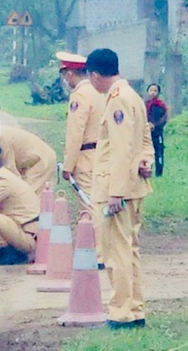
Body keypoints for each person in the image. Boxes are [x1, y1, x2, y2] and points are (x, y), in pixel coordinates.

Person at [86, 48, 154, 330]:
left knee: (117, 253)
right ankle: (134, 308)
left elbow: (122, 149)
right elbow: (143, 142)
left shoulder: (118, 101)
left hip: (118, 190)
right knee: (130, 250)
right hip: (132, 186)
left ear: (95, 74)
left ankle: (122, 312)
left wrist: (116, 192)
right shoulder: (133, 97)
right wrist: (145, 162)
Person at [57, 51, 106, 265]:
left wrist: (68, 165)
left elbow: (76, 133)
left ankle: (97, 254)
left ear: (69, 74)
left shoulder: (79, 96)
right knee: (101, 203)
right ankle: (103, 251)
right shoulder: (99, 92)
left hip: (85, 156)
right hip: (102, 155)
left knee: (89, 206)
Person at [0, 125, 57, 196]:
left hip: (41, 159)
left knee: (29, 196)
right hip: (27, 161)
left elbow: (11, 173)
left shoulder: (0, 139)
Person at [145, 83, 168, 177]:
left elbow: (164, 119)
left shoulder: (161, 105)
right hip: (146, 133)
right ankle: (147, 170)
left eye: (155, 91)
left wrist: (155, 125)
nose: (153, 93)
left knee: (158, 152)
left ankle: (159, 172)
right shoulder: (145, 105)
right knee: (147, 152)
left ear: (158, 92)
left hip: (157, 133)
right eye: (151, 90)